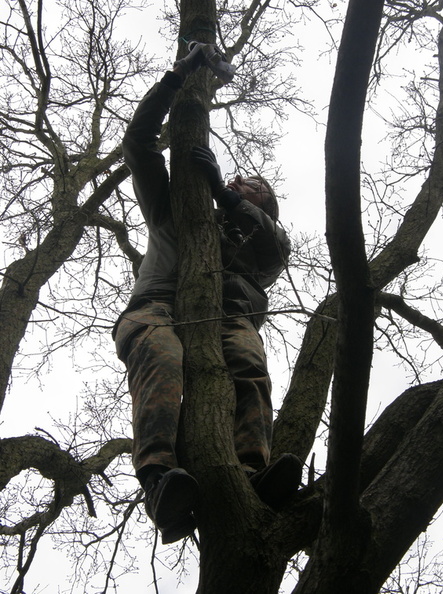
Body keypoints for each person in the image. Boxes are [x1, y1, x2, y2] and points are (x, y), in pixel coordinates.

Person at [113, 43, 302, 544]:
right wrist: (175, 79)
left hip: (231, 318)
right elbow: (138, 143)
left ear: (265, 205)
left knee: (248, 367)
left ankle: (251, 474)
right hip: (156, 307)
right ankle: (159, 482)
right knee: (162, 356)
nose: (241, 180)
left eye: (254, 185)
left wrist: (226, 195)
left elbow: (275, 245)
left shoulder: (260, 242)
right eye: (240, 178)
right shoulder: (172, 207)